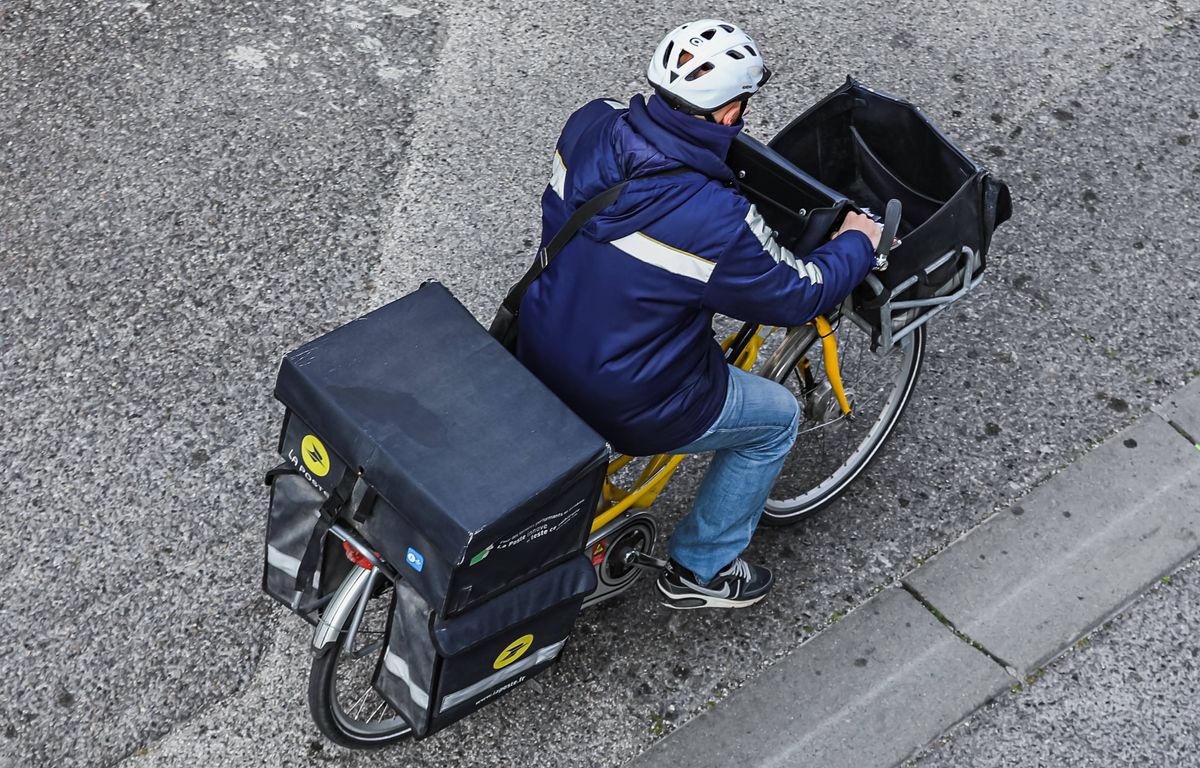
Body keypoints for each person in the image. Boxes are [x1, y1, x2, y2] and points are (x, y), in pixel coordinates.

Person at [516, 20, 882, 609]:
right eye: (742, 104)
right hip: (630, 398)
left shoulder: (590, 121)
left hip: (533, 341)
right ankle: (702, 569)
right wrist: (858, 242)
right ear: (725, 113)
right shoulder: (716, 218)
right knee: (777, 420)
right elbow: (797, 292)